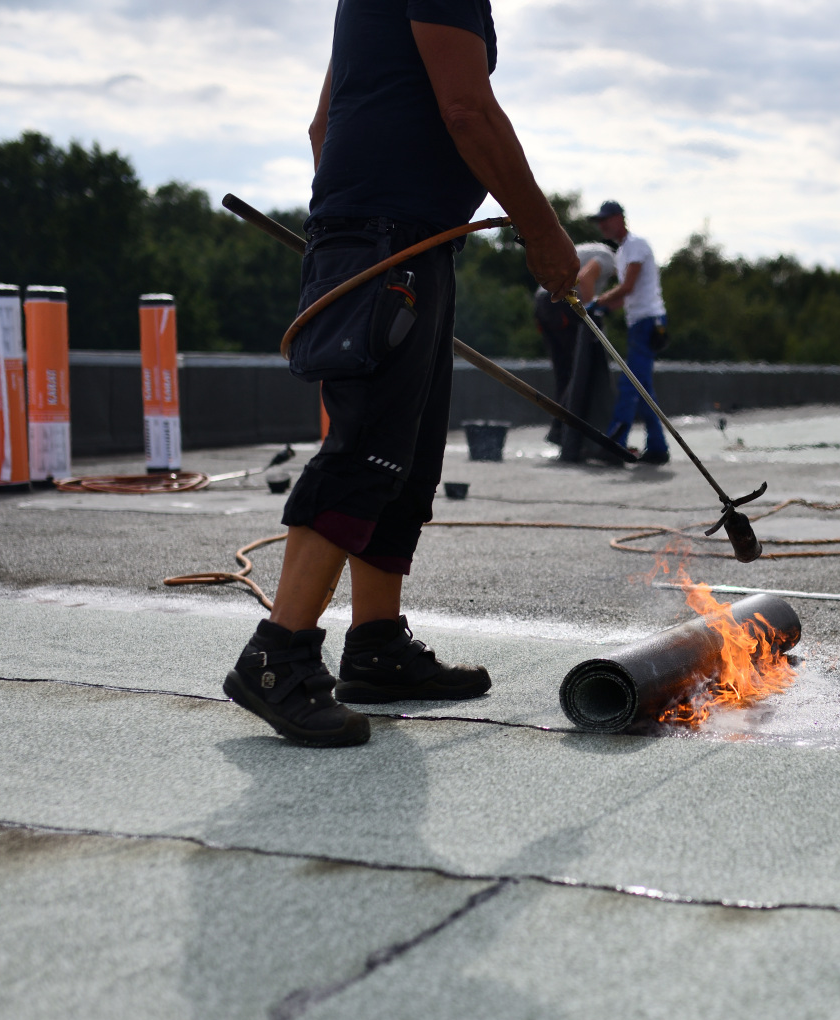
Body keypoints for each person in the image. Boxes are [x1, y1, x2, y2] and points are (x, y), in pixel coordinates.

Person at [222, 0, 579, 748]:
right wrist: (542, 231)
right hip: (389, 242)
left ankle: (376, 646)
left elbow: (323, 125)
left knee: (406, 458)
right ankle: (275, 658)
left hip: (399, 240)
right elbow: (466, 108)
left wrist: (349, 220)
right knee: (367, 450)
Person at [588, 201, 670, 464]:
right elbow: (626, 296)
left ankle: (616, 446)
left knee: (630, 384)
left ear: (619, 218)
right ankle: (657, 448)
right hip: (640, 323)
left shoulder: (635, 245)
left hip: (648, 322)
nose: (602, 225)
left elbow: (627, 287)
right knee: (642, 387)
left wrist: (597, 302)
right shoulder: (623, 251)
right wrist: (605, 308)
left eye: (606, 220)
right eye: (599, 221)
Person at [532, 239, 618, 461]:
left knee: (564, 374)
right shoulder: (608, 257)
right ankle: (565, 434)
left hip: (544, 302)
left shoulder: (589, 249)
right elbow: (585, 277)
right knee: (579, 371)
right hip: (560, 302)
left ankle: (564, 435)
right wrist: (590, 315)